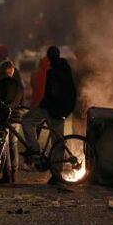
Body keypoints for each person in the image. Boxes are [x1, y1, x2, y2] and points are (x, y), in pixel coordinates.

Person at [22, 46, 76, 184]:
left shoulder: (52, 72)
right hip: (62, 111)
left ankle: (34, 149)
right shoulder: (67, 71)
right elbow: (72, 92)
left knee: (27, 120)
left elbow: (50, 93)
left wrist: (43, 104)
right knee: (57, 141)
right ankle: (56, 175)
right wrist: (67, 110)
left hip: (50, 109)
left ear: (49, 57)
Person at [0, 60, 24, 183]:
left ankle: (7, 173)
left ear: (2, 71)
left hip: (4, 118)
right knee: (14, 144)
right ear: (12, 70)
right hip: (16, 118)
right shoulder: (19, 85)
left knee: (4, 145)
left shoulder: (1, 84)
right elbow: (21, 101)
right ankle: (14, 174)